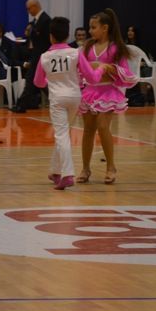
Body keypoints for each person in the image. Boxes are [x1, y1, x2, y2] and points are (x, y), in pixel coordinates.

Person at [33, 17, 106, 190]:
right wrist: (101, 68)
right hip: (74, 98)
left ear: (51, 36)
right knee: (64, 133)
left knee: (61, 135)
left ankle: (67, 174)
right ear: (67, 36)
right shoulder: (76, 53)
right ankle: (55, 171)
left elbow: (38, 83)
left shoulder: (44, 57)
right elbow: (92, 78)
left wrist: (52, 79)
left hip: (57, 99)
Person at [77, 9, 138, 184]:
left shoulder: (115, 48)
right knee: (88, 130)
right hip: (90, 92)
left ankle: (111, 167)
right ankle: (85, 168)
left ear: (105, 28)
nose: (90, 30)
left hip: (107, 92)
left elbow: (125, 71)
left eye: (93, 27)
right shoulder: (87, 47)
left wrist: (109, 67)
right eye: (90, 27)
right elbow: (81, 67)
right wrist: (90, 67)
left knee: (103, 127)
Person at [12, 0, 51, 112]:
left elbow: (45, 40)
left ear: (35, 7)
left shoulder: (45, 20)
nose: (28, 11)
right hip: (36, 55)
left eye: (29, 9)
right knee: (34, 80)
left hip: (41, 56)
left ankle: (21, 105)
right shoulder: (36, 21)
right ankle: (21, 105)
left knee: (33, 80)